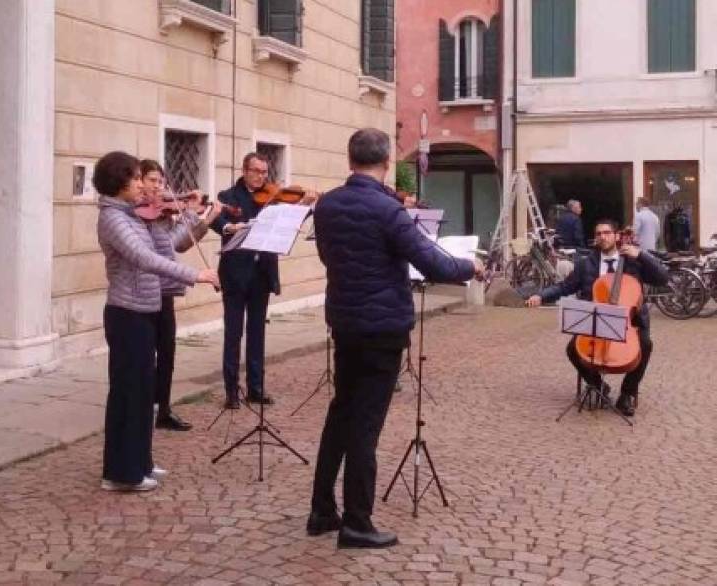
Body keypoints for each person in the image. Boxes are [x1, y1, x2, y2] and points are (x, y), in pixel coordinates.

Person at [309, 129, 483, 549]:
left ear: (350, 159)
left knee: (340, 414)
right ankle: (356, 522)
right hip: (382, 328)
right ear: (386, 161)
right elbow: (432, 263)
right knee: (365, 425)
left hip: (345, 322)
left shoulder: (327, 205)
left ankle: (321, 510)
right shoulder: (388, 212)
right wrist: (469, 266)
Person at [94, 151, 219, 492]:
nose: (141, 184)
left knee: (143, 391)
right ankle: (121, 473)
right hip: (127, 313)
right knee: (128, 393)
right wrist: (197, 274)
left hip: (144, 310)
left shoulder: (132, 215)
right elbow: (145, 258)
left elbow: (166, 246)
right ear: (118, 182)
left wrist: (189, 214)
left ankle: (140, 462)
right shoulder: (113, 218)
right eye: (135, 179)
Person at [525, 219, 668, 416]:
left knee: (645, 344)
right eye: (599, 233)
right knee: (573, 349)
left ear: (617, 236)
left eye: (607, 232)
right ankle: (599, 386)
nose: (602, 236)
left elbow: (663, 278)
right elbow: (565, 287)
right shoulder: (586, 264)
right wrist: (541, 295)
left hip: (630, 323)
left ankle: (626, 394)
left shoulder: (634, 262)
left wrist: (641, 254)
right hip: (596, 323)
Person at [138, 159, 222, 431]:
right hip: (145, 293)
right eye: (152, 180)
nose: (158, 187)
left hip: (166, 292)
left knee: (167, 353)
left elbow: (183, 244)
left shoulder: (161, 214)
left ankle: (163, 408)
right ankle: (145, 408)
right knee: (146, 356)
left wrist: (199, 215)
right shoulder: (138, 215)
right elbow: (170, 244)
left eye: (161, 181)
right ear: (139, 182)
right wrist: (189, 214)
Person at [209, 153, 293, 408]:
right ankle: (232, 392)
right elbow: (218, 221)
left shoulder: (272, 199)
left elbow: (286, 220)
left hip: (261, 275)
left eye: (264, 172)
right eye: (255, 171)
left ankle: (256, 388)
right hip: (235, 275)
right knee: (233, 334)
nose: (260, 176)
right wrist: (229, 228)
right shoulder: (228, 197)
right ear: (244, 171)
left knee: (257, 333)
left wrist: (304, 208)